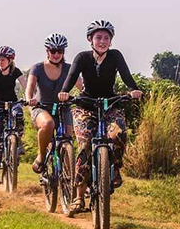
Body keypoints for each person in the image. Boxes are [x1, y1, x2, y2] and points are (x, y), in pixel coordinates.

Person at [58, 20, 142, 211]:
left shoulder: (115, 56)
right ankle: (79, 196)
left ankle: (115, 169)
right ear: (90, 39)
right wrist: (64, 92)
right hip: (85, 106)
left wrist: (134, 89)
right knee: (85, 144)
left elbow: (126, 76)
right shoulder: (82, 57)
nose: (102, 41)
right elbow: (70, 79)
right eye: (98, 37)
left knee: (119, 133)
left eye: (106, 38)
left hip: (110, 104)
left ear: (111, 41)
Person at [25, 33, 80, 174]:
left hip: (63, 108)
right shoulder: (37, 68)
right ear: (47, 51)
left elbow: (82, 86)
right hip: (42, 107)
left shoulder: (69, 68)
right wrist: (29, 98)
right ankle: (41, 156)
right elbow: (29, 87)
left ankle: (69, 178)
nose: (56, 54)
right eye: (53, 51)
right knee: (48, 124)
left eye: (60, 51)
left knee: (67, 140)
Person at [0, 46, 27, 184]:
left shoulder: (15, 71)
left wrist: (30, 97)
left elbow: (26, 85)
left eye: (2, 59)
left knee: (18, 114)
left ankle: (18, 141)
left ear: (10, 60)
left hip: (13, 102)